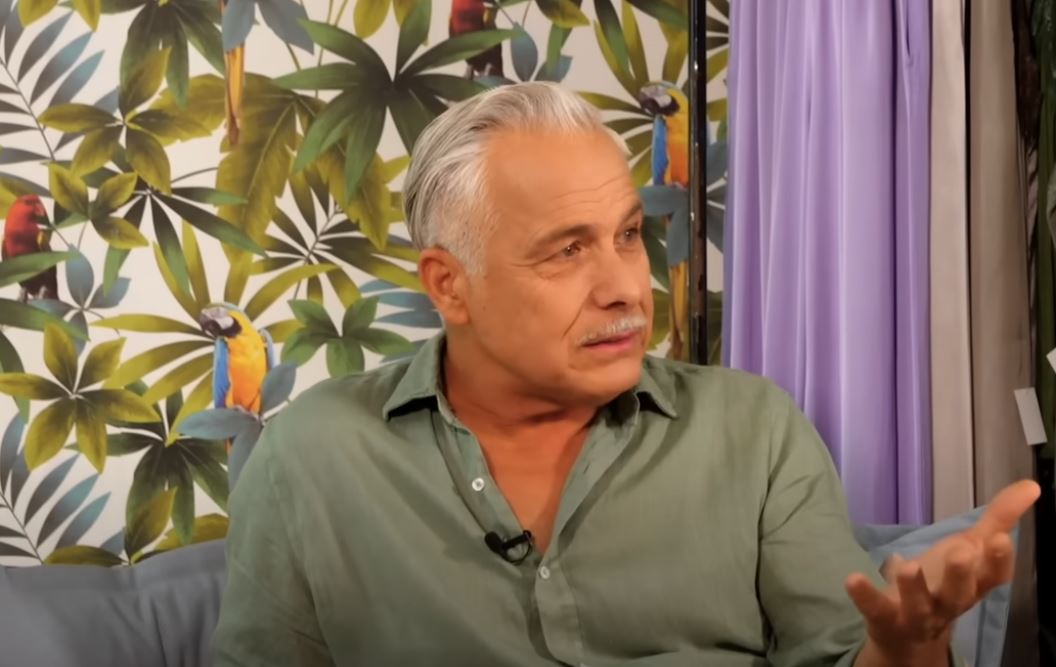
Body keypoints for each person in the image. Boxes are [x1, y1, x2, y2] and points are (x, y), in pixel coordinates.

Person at [210, 82, 1039, 666]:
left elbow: (848, 654)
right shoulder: (313, 460)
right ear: (448, 285)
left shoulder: (753, 432)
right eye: (568, 250)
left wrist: (908, 646)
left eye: (629, 235)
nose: (626, 288)